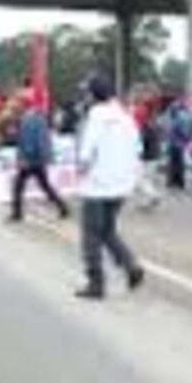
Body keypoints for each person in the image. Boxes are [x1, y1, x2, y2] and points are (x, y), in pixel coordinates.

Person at [76, 75, 145, 300]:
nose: (85, 96)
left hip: (97, 185)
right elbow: (138, 148)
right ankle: (131, 266)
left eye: (87, 92)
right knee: (107, 230)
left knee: (91, 235)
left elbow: (87, 150)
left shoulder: (96, 115)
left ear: (94, 95)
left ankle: (96, 283)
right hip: (120, 185)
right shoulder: (126, 116)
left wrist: (81, 169)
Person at [10, 97, 70, 222]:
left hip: (30, 159)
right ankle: (62, 207)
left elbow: (28, 141)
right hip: (38, 158)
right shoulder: (39, 118)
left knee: (18, 186)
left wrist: (24, 158)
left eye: (18, 105)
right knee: (44, 185)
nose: (16, 108)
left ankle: (17, 213)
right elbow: (43, 139)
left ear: (23, 106)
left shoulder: (27, 120)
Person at [165, 98, 192, 191]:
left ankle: (173, 181)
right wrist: (188, 138)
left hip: (175, 141)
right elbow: (191, 128)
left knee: (174, 163)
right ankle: (179, 182)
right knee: (180, 163)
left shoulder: (178, 117)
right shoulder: (188, 116)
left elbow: (174, 128)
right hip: (181, 142)